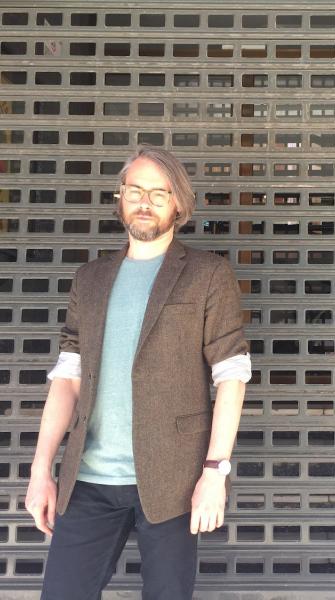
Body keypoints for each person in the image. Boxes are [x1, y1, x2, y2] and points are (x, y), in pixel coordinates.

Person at [25, 145, 251, 599]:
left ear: (179, 205)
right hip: (88, 478)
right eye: (135, 191)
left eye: (158, 193)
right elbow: (67, 378)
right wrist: (40, 470)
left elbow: (231, 376)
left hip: (174, 480)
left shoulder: (207, 274)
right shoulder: (90, 278)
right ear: (120, 197)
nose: (144, 202)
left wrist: (214, 472)